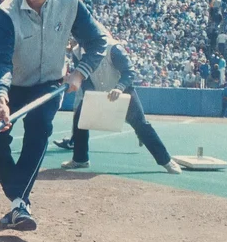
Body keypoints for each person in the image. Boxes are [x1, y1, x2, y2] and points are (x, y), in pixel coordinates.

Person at [0, 0, 108, 231]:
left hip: (49, 83)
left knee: (38, 128)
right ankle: (19, 203)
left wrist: (79, 73)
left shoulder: (70, 3)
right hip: (12, 85)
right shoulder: (6, 13)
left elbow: (99, 41)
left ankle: (18, 205)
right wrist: (1, 99)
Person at [57, 34, 182, 174]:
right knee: (80, 118)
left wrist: (119, 88)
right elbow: (84, 77)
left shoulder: (113, 48)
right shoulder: (77, 52)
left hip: (123, 91)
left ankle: (166, 160)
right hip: (99, 91)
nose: (75, 39)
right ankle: (80, 159)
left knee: (141, 125)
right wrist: (92, 96)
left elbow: (129, 72)